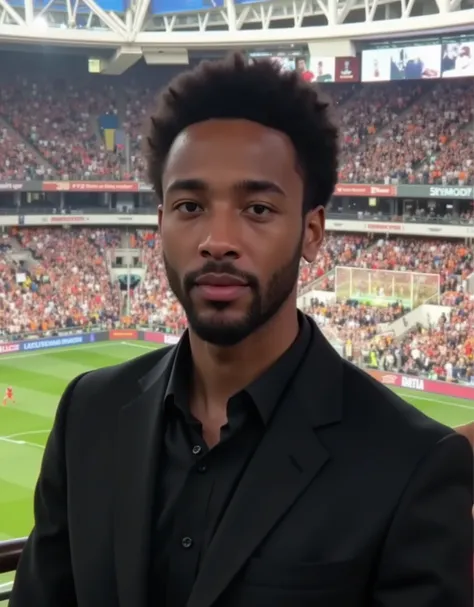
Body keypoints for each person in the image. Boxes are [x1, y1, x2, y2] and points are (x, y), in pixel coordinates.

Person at [10, 55, 473, 607]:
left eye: (256, 207)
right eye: (189, 205)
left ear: (312, 232)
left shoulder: (411, 462)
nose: (217, 239)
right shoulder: (87, 414)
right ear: (159, 224)